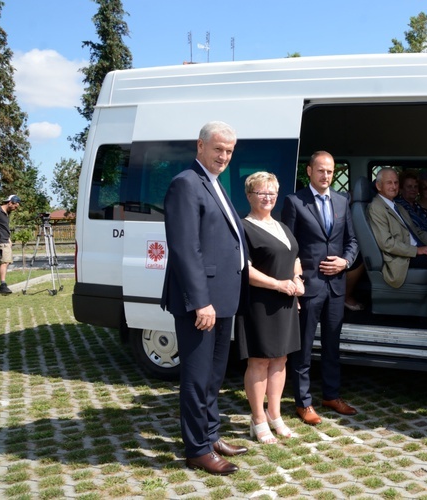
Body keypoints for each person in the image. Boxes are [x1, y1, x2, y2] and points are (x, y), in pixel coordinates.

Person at [160, 121, 248, 475]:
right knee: (196, 378)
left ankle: (210, 434)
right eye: (218, 149)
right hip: (202, 302)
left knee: (213, 375)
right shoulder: (186, 183)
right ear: (200, 146)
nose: (224, 156)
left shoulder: (214, 184)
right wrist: (200, 301)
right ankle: (197, 449)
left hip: (222, 297)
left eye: (229, 151)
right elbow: (185, 248)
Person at [281, 151, 359, 425]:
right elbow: (288, 246)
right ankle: (303, 403)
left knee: (332, 346)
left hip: (336, 287)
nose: (326, 176)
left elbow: (352, 241)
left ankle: (331, 395)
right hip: (308, 287)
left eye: (330, 171)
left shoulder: (341, 200)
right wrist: (296, 277)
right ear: (309, 171)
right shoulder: (294, 201)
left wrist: (345, 262)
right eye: (321, 170)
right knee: (302, 349)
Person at [236, 172, 303, 443]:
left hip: (286, 301)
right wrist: (279, 284)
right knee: (259, 361)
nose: (267, 197)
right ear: (249, 196)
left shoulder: (282, 226)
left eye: (272, 193)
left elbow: (294, 257)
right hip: (260, 303)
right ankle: (257, 418)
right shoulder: (243, 227)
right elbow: (245, 271)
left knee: (281, 359)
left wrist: (298, 280)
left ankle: (275, 415)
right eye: (261, 192)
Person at [368, 168, 427, 288]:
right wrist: (417, 250)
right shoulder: (376, 208)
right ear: (378, 186)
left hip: (412, 251)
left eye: (396, 182)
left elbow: (417, 231)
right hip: (402, 257)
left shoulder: (396, 206)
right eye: (389, 183)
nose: (394, 186)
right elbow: (387, 243)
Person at [395, 170, 427, 235]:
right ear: (401, 189)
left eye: (415, 186)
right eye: (409, 186)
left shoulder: (417, 207)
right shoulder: (398, 206)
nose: (413, 189)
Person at [0, 195, 21, 295]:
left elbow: (4, 227)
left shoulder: (6, 213)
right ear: (10, 202)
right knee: (4, 262)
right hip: (1, 242)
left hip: (5, 240)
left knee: (5, 262)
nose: (15, 208)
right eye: (15, 206)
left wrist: (9, 239)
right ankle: (3, 285)